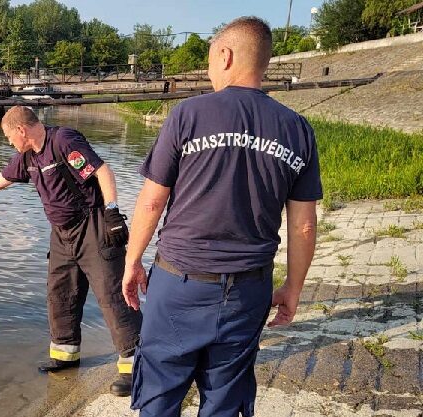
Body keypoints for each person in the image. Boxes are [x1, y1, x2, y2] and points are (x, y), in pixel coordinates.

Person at [122, 17, 322, 417]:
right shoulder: (298, 129)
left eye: (211, 60)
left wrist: (131, 262)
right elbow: (303, 223)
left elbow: (150, 203)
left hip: (179, 284)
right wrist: (293, 289)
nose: (211, 71)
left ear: (225, 56)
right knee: (226, 398)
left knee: (159, 392)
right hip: (249, 291)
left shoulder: (188, 115)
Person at [0, 106, 142, 396]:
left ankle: (136, 365)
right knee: (60, 293)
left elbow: (103, 171)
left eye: (9, 136)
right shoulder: (27, 158)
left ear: (21, 130)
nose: (9, 142)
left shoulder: (64, 141)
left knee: (111, 294)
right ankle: (66, 355)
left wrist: (111, 212)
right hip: (61, 234)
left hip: (92, 225)